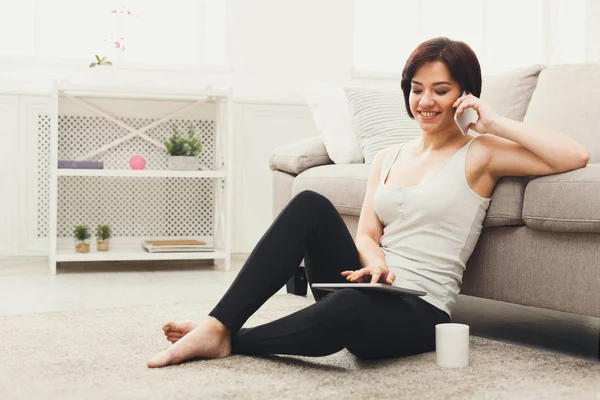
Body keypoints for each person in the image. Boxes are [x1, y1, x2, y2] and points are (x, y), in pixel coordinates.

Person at [147, 37, 589, 368]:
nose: (426, 101)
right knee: (309, 205)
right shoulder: (388, 156)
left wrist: (493, 121)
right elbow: (367, 232)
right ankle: (218, 323)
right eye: (417, 89)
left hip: (422, 308)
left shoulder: (482, 152)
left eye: (440, 90)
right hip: (370, 282)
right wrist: (375, 262)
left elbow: (575, 155)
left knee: (347, 308)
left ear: (464, 96)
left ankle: (230, 340)